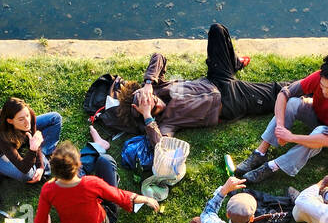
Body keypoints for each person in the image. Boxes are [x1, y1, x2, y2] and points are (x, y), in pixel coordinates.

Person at [94, 23, 287, 149]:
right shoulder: (164, 123)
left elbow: (158, 57)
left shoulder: (157, 88)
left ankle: (233, 63)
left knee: (217, 31)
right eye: (150, 106)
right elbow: (162, 148)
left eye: (150, 98)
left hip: (215, 79)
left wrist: (148, 84)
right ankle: (309, 87)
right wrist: (147, 117)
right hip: (229, 101)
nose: (154, 101)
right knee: (280, 91)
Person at [233, 48, 328, 184]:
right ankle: (260, 153)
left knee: (320, 133)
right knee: (291, 103)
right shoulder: (321, 76)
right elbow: (283, 94)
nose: (324, 91)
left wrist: (290, 137)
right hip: (319, 115)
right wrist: (280, 128)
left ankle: (273, 166)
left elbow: (326, 140)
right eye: (322, 86)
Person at [33, 137, 159, 223]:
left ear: (54, 169)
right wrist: (146, 199)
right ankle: (98, 148)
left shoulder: (48, 189)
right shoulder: (91, 183)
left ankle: (97, 146)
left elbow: (40, 219)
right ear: (78, 164)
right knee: (105, 160)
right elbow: (119, 196)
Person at [0, 97, 63, 183]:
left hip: (17, 136)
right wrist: (33, 149)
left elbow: (33, 136)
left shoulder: (29, 116)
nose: (27, 122)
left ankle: (44, 151)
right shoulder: (0, 135)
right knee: (27, 175)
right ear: (10, 121)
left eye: (27, 116)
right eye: (21, 119)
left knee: (55, 118)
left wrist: (40, 166)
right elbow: (24, 168)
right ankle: (41, 159)